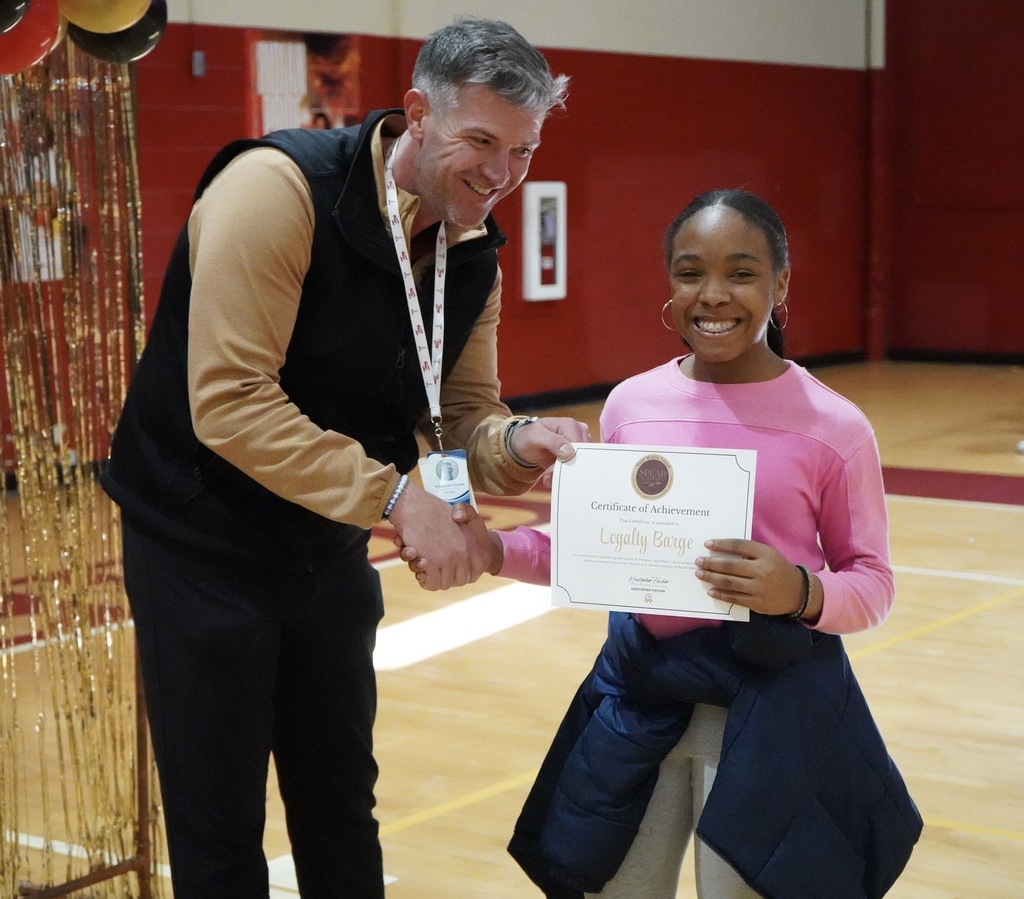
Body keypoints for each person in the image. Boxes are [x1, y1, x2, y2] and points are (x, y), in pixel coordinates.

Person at [100, 17, 589, 899]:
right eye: (481, 141)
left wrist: (519, 446)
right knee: (217, 830)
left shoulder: (472, 251)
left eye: (522, 150)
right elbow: (232, 403)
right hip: (199, 546)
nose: (501, 174)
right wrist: (400, 499)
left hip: (329, 544)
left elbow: (461, 419)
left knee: (339, 809)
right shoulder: (276, 190)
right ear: (418, 114)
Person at [399, 189, 922, 897]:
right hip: (636, 697)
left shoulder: (835, 426)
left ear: (781, 284)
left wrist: (801, 591)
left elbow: (874, 582)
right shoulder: (632, 405)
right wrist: (492, 551)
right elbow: (594, 548)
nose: (713, 294)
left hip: (768, 714)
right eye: (689, 271)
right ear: (669, 286)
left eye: (741, 272)